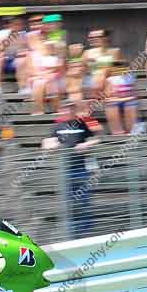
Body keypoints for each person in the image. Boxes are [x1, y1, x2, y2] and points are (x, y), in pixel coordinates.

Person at [42, 101, 99, 237]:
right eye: (65, 109)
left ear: (74, 111)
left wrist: (86, 145)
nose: (68, 112)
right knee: (67, 201)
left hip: (80, 168)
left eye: (70, 109)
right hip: (64, 170)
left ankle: (86, 229)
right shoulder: (57, 126)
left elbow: (96, 139)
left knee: (84, 199)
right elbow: (45, 143)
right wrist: (52, 144)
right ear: (62, 111)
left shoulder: (82, 124)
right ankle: (70, 229)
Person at [0, 16, 27, 96]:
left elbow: (25, 50)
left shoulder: (24, 35)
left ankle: (23, 88)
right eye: (15, 24)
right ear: (10, 25)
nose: (18, 26)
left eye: (20, 24)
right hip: (4, 63)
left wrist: (21, 52)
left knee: (22, 59)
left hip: (17, 62)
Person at [104, 60, 138, 135]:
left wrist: (121, 99)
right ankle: (117, 132)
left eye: (122, 66)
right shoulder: (110, 79)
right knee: (111, 104)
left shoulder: (130, 77)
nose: (119, 68)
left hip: (128, 100)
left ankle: (130, 131)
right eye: (117, 66)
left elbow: (134, 95)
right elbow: (107, 96)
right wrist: (115, 98)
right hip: (117, 101)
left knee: (130, 104)